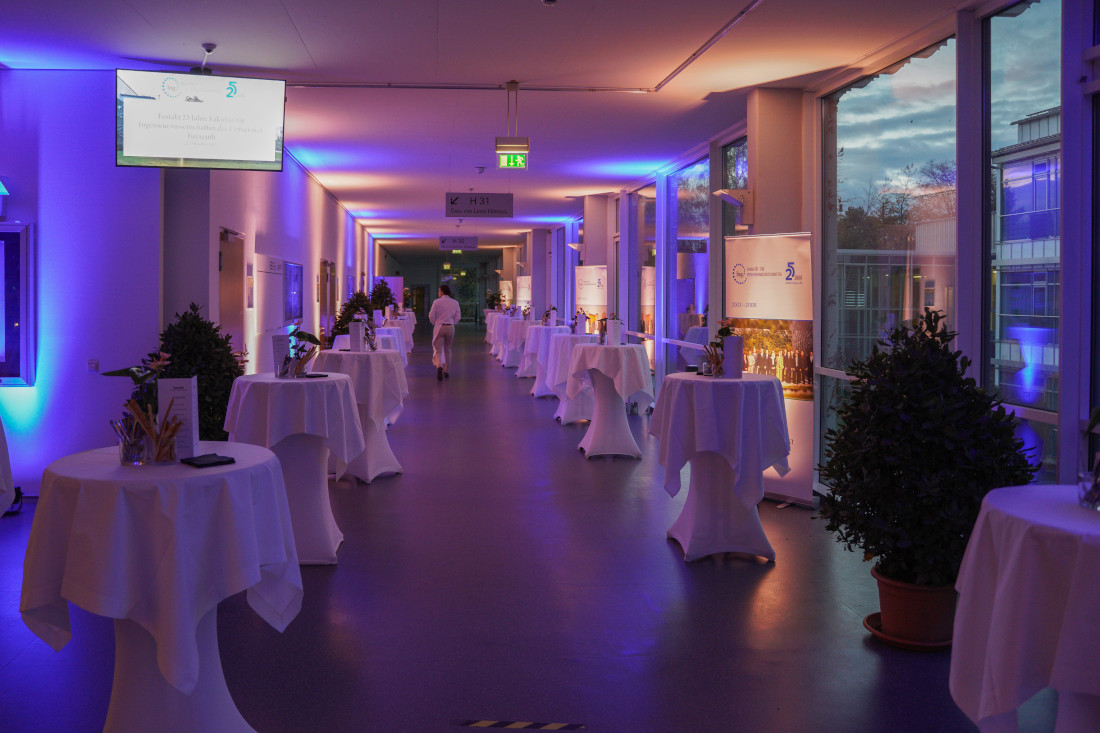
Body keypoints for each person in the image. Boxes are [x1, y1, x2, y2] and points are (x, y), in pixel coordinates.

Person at [429, 284, 462, 380]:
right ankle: (446, 370)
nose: (438, 293)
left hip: (439, 327)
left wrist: (435, 323)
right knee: (448, 349)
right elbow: (458, 317)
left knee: (438, 349)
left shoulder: (436, 302)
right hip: (450, 327)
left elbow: (431, 315)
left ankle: (439, 366)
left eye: (439, 291)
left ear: (442, 292)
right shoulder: (455, 302)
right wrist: (452, 323)